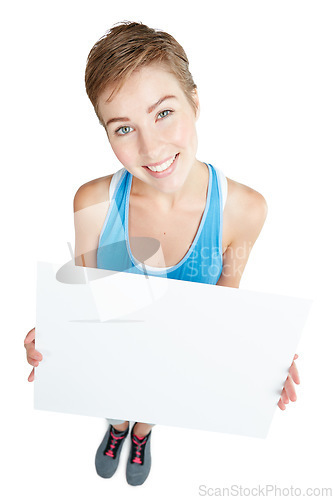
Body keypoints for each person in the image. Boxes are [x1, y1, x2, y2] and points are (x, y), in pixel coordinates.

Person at [24, 21, 300, 486]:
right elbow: (86, 302)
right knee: (115, 401)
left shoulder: (245, 210)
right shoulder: (92, 202)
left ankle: (144, 433)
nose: (150, 148)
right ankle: (116, 429)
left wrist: (260, 357)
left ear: (195, 100)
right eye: (124, 127)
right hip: (115, 353)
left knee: (153, 403)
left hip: (173, 365)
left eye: (164, 113)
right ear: (106, 133)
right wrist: (53, 338)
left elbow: (221, 312)